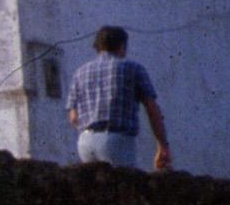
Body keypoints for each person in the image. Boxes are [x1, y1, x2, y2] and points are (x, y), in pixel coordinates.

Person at [64, 26, 170, 172]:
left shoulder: (80, 73)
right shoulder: (133, 68)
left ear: (97, 46)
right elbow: (151, 109)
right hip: (116, 140)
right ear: (122, 46)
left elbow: (73, 117)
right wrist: (162, 145)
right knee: (123, 189)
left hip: (85, 142)